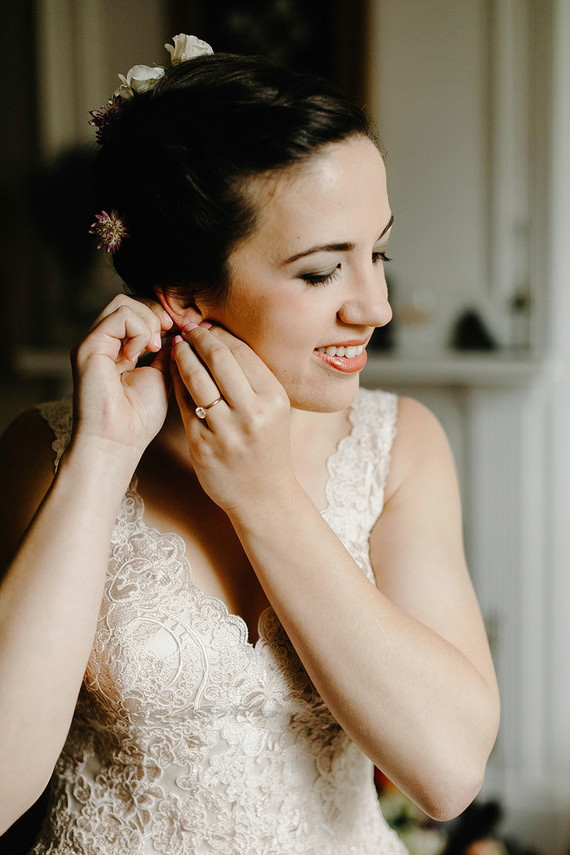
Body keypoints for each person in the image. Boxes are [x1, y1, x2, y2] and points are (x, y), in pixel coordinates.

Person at [0, 34, 500, 854]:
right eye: (320, 272)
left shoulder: (400, 443)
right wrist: (99, 460)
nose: (373, 305)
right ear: (188, 295)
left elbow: (447, 772)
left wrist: (267, 496)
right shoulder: (48, 450)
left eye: (377, 252)